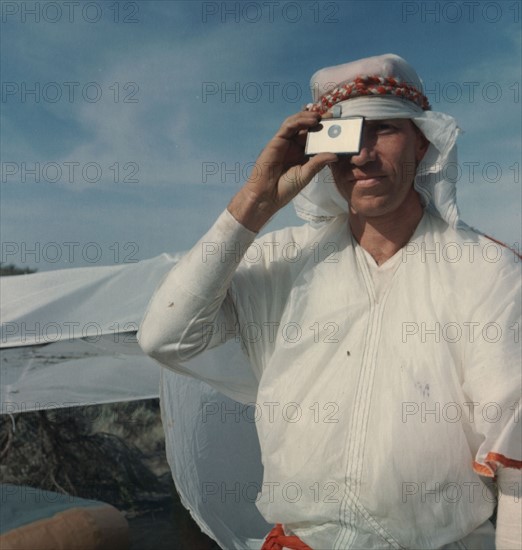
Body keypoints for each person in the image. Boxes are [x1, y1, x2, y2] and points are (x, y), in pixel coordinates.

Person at [138, 54, 521, 549]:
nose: (361, 156)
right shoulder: (285, 260)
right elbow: (165, 337)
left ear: (422, 143)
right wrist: (255, 202)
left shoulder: (484, 270)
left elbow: (515, 466)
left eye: (382, 130)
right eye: (343, 136)